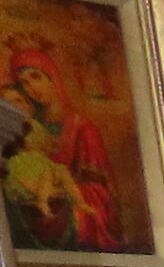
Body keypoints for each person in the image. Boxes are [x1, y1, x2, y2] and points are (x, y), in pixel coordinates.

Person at [3, 39, 125, 252]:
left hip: (65, 209)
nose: (32, 88)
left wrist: (58, 191)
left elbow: (102, 193)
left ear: (53, 76)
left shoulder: (83, 128)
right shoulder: (26, 126)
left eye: (36, 77)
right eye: (24, 83)